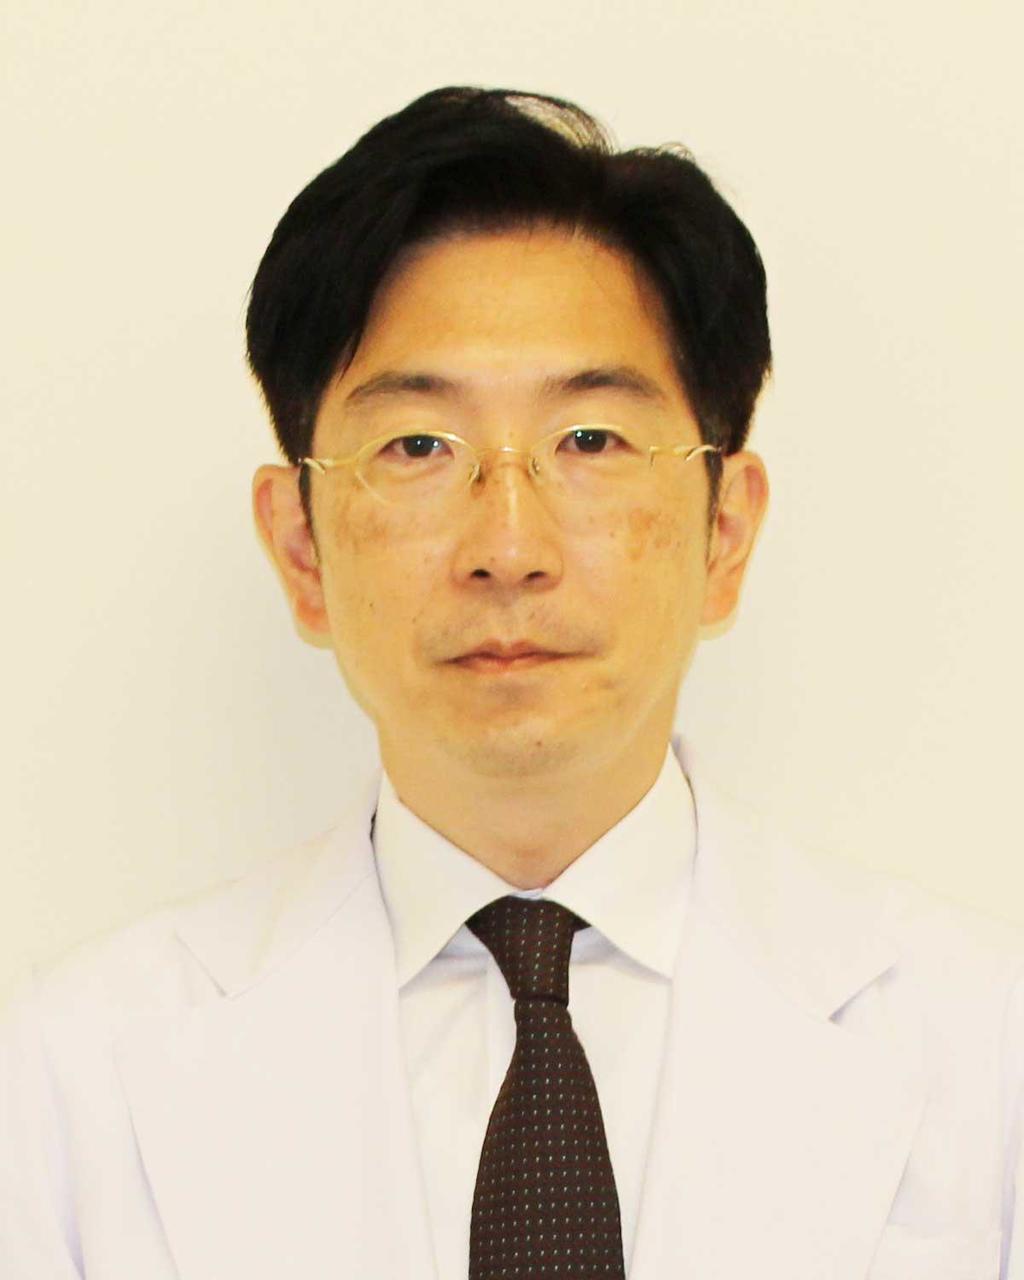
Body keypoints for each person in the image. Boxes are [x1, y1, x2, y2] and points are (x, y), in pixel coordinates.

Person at [2, 84, 1022, 1280]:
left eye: (589, 440)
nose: (508, 544)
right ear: (301, 548)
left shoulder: (984, 1050)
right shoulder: (64, 1082)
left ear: (725, 531)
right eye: (417, 447)